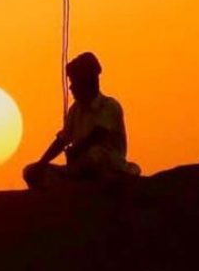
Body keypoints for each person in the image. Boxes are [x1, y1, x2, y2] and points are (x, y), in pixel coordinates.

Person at [23, 52, 140, 189]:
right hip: (79, 170)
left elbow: (99, 133)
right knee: (31, 172)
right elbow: (63, 139)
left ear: (87, 82)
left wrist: (76, 150)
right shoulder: (75, 110)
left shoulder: (109, 106)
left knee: (92, 157)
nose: (71, 87)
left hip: (107, 166)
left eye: (74, 82)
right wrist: (41, 163)